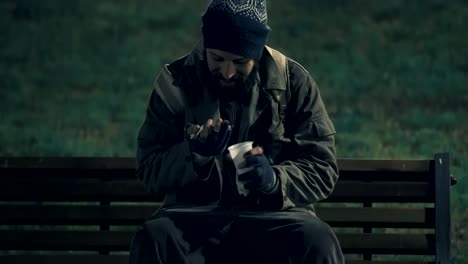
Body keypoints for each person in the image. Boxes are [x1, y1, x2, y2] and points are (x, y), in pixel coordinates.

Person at [129, 0, 344, 263]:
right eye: (217, 58)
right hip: (193, 215)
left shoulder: (292, 82)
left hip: (274, 217)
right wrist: (195, 157)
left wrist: (275, 180)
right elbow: (150, 168)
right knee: (155, 237)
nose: (228, 72)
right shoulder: (175, 82)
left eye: (240, 62)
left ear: (256, 52)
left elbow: (322, 167)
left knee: (318, 240)